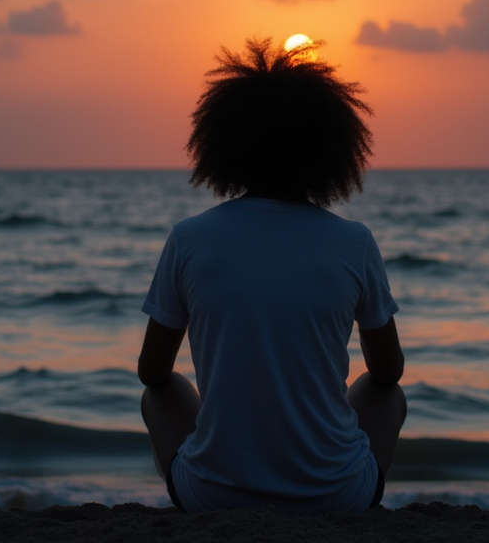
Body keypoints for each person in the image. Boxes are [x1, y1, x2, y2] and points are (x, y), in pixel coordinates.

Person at [138, 37, 406, 514]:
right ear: (332, 150)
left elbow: (151, 371)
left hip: (211, 501)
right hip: (338, 500)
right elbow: (389, 371)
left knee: (163, 391)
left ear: (222, 144)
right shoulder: (354, 242)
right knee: (386, 394)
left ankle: (218, 470)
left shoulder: (189, 238)